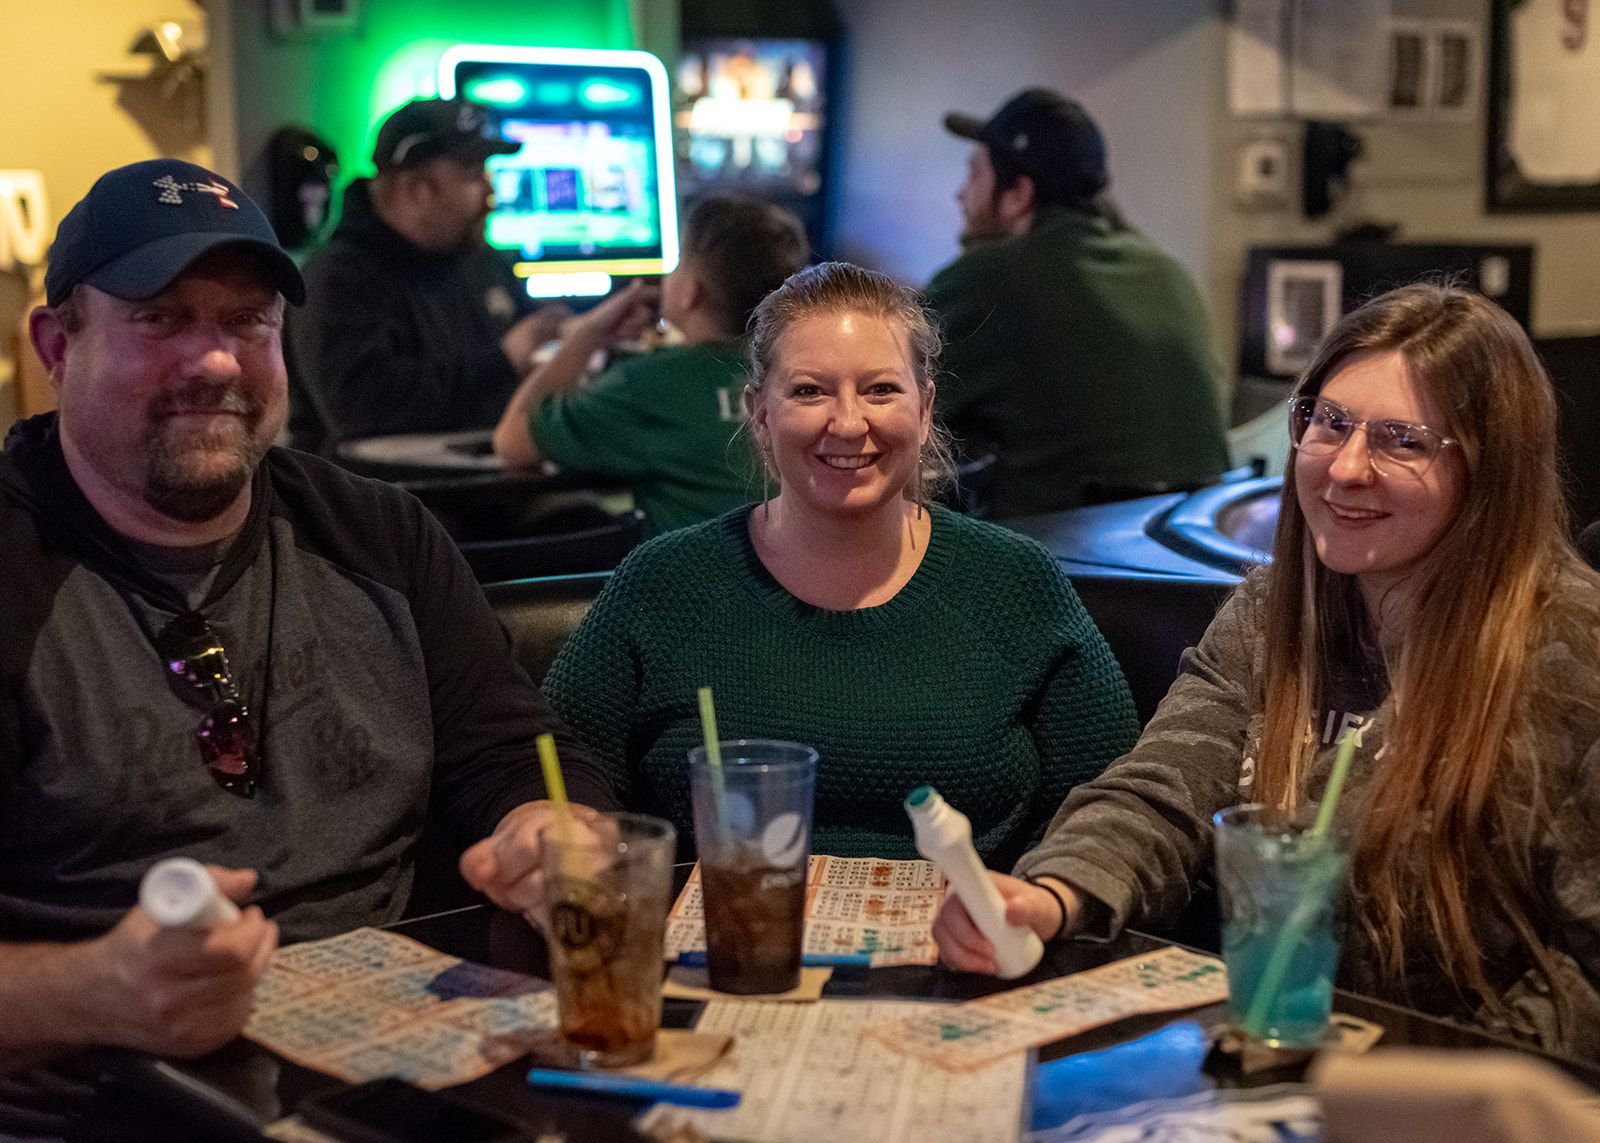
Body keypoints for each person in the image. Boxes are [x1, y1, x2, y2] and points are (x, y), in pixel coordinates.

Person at [0, 159, 617, 1121]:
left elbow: (515, 753)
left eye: (248, 321)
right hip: (99, 1106)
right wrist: (93, 989)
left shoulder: (380, 532)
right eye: (160, 318)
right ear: (56, 343)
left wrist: (548, 824)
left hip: (411, 1076)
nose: (214, 361)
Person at [933, 284, 1600, 1056]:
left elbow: (1585, 984)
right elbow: (1164, 790)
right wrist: (1052, 894)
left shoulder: (1572, 654)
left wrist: (1422, 1094)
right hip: (1283, 1061)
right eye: (1330, 422)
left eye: (1402, 440)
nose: (1347, 467)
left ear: (1489, 471)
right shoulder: (1273, 609)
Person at [544, 261, 1140, 868]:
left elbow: (1115, 809)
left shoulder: (1016, 583)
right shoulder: (664, 583)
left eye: (881, 389)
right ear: (760, 412)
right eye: (809, 391)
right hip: (726, 947)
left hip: (971, 949)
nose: (850, 423)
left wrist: (1037, 903)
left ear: (926, 407)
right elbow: (556, 776)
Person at [926, 88, 1230, 518]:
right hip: (1187, 563)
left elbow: (882, 402)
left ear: (1018, 193)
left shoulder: (989, 279)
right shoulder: (1169, 273)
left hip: (1054, 565)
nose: (961, 195)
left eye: (974, 176)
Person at [492, 195, 809, 536]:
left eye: (676, 263)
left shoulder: (648, 385)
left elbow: (512, 443)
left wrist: (587, 335)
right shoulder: (808, 377)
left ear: (691, 292)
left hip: (692, 585)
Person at [290, 97, 567, 448]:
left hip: (503, 486)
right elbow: (358, 408)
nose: (491, 191)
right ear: (416, 189)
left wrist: (580, 338)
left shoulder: (481, 261)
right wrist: (503, 362)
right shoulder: (338, 277)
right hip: (394, 499)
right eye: (473, 173)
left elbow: (530, 348)